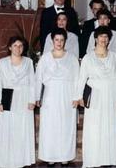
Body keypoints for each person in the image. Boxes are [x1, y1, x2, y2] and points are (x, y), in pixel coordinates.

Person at [76, 26, 116, 167]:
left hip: (111, 94)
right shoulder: (88, 58)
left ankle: (109, 159)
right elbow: (82, 78)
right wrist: (79, 97)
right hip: (95, 95)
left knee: (110, 125)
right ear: (95, 39)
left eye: (106, 37)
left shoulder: (114, 56)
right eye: (101, 37)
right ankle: (94, 159)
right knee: (94, 127)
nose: (103, 39)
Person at [35, 28, 80, 166]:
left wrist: (76, 97)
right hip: (50, 95)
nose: (59, 43)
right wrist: (37, 96)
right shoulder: (45, 58)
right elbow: (38, 79)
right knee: (50, 125)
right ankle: (50, 155)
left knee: (66, 125)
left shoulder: (72, 58)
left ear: (65, 41)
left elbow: (77, 78)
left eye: (62, 40)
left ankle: (65, 155)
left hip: (67, 95)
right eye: (56, 40)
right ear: (52, 41)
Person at [0, 36, 36, 168]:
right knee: (8, 129)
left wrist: (32, 100)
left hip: (24, 98)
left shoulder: (29, 62)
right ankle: (7, 161)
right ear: (10, 47)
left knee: (23, 129)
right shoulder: (2, 62)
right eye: (15, 45)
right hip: (8, 97)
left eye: (21, 46)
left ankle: (22, 160)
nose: (18, 48)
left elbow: (32, 83)